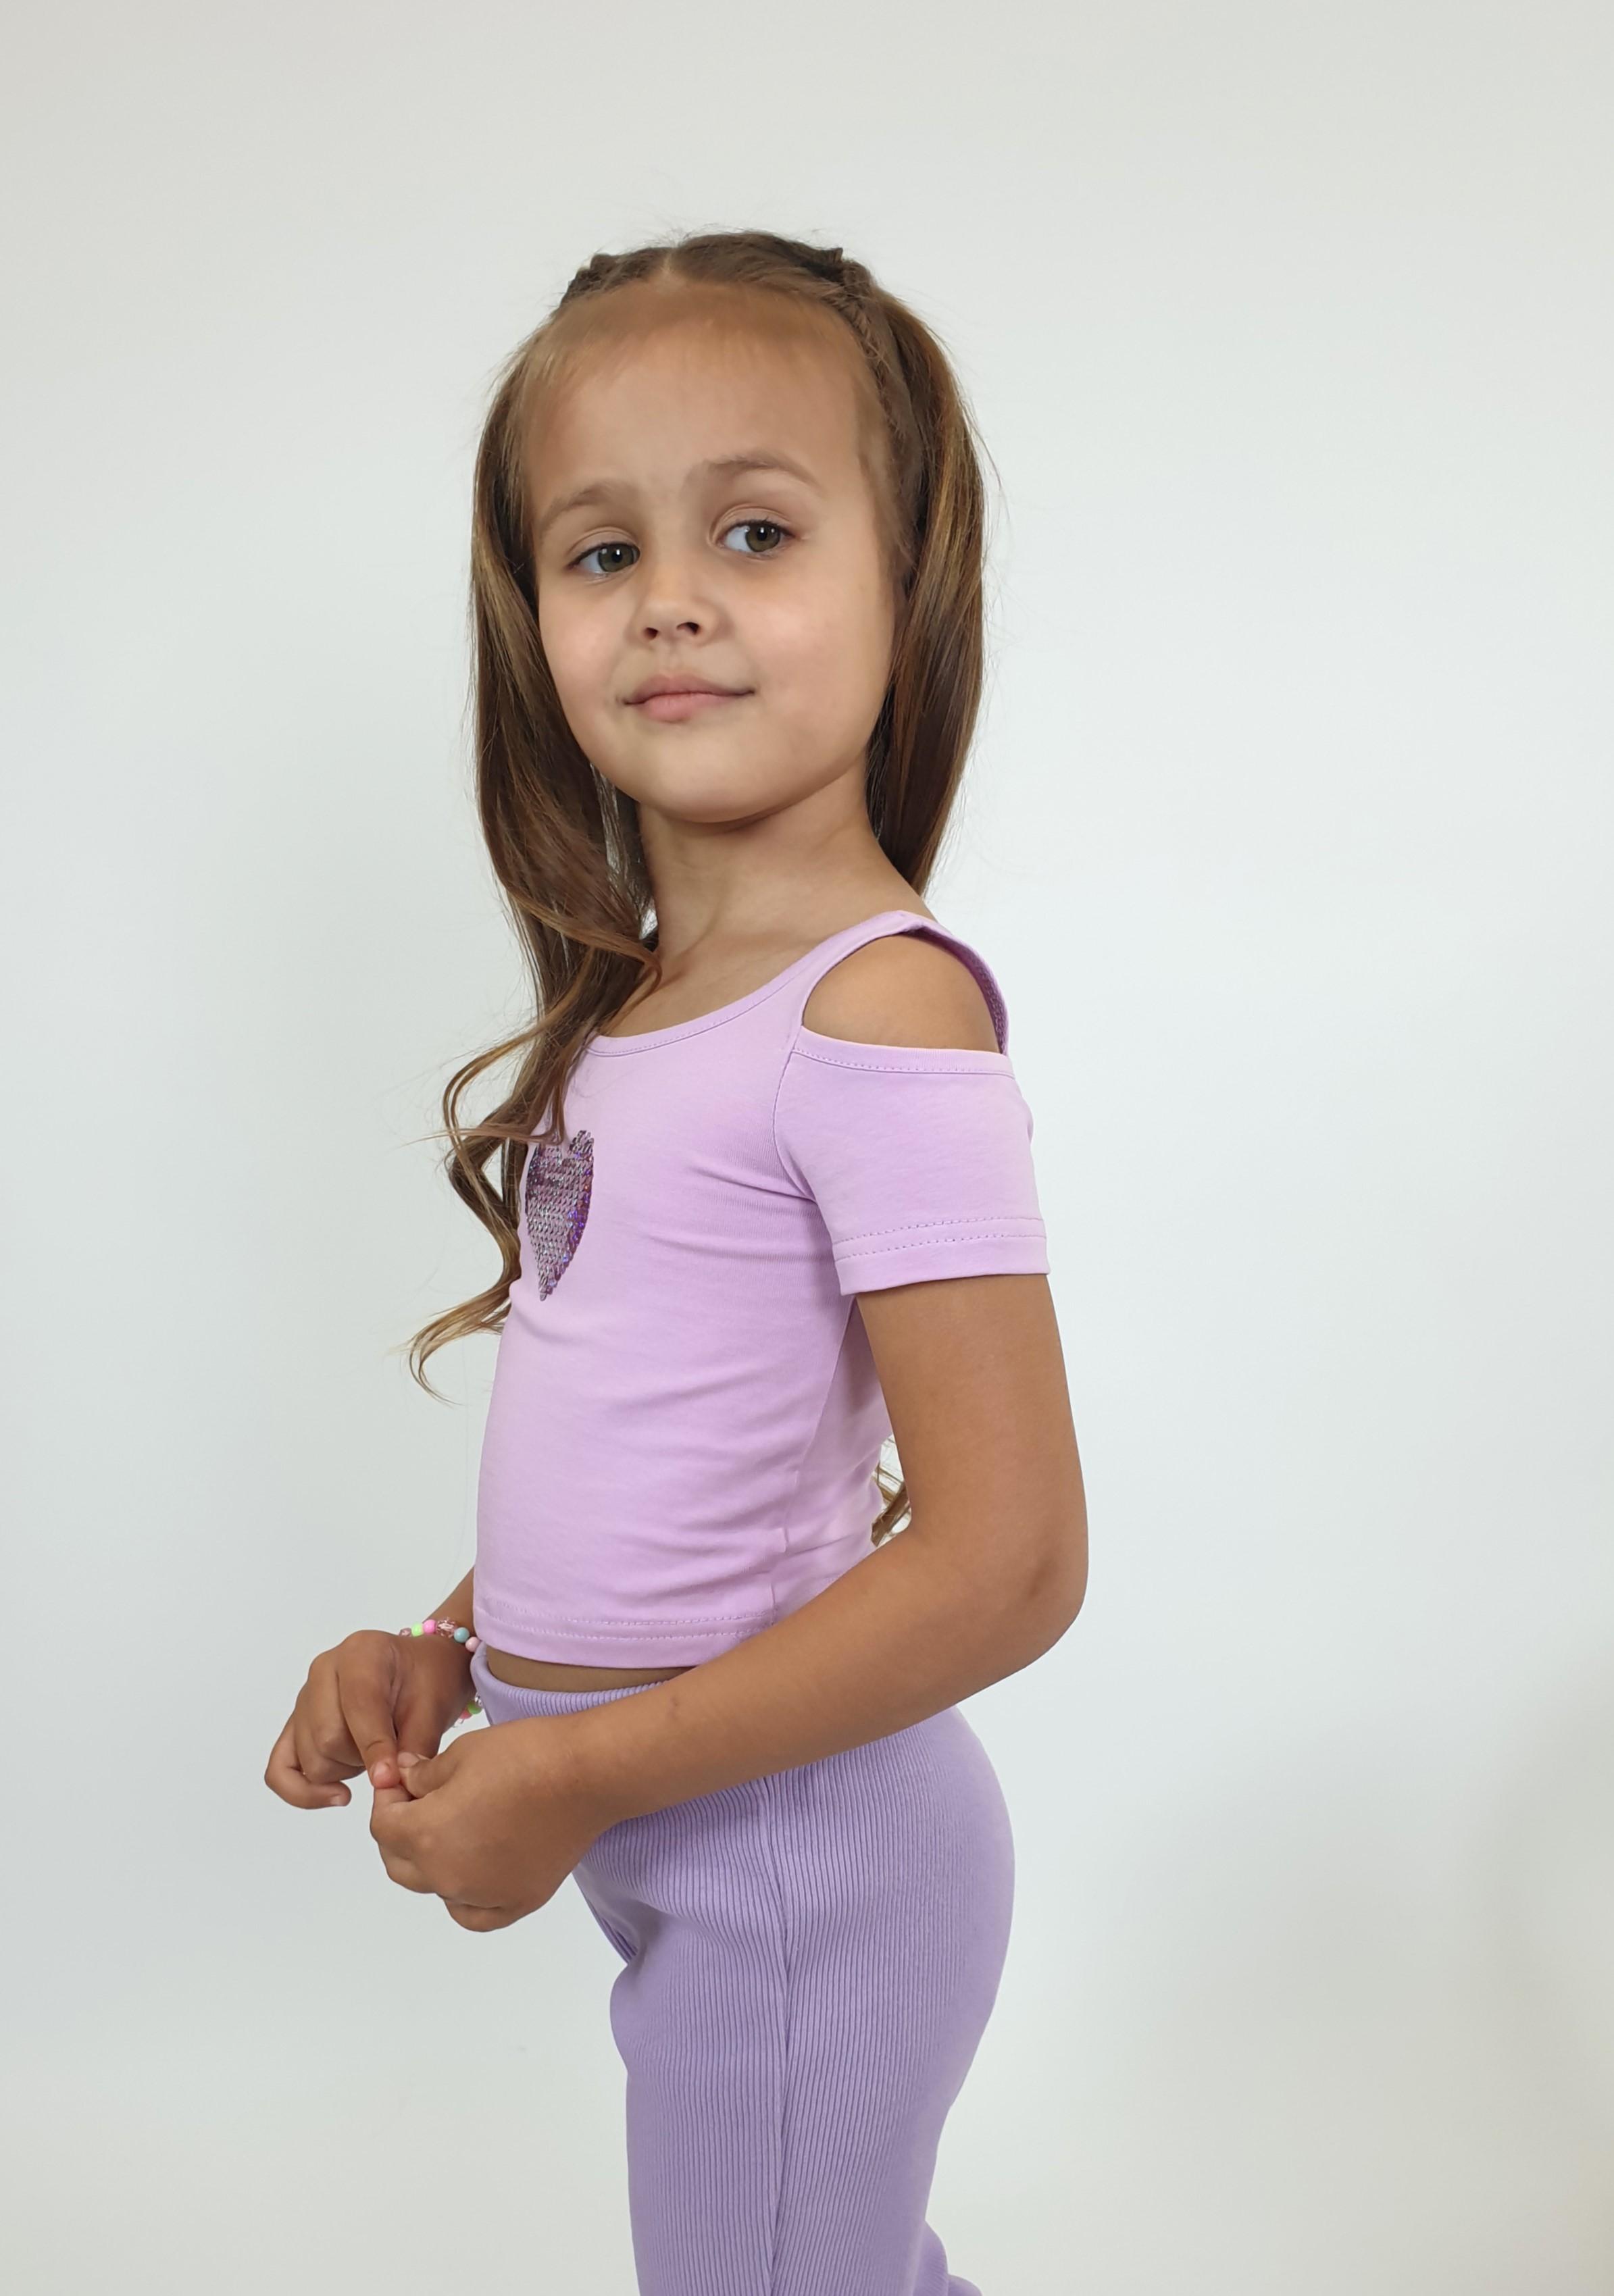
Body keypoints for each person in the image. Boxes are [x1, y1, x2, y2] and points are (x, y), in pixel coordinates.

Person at [266, 228, 1090, 2296]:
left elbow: (1011, 1559)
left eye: (757, 530)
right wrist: (457, 1652)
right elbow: (662, 1448)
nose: (673, 600)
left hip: (807, 1856)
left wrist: (572, 1774)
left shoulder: (879, 1011)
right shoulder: (640, 1017)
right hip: (695, 1831)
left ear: (912, 586)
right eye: (603, 550)